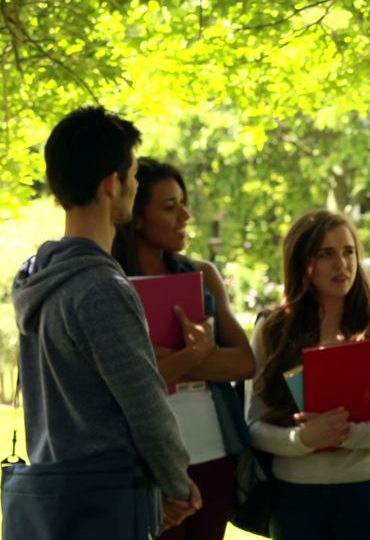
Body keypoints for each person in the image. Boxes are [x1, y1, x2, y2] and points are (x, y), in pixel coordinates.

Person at [11, 106, 201, 536]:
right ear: (113, 184)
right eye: (133, 176)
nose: (135, 185)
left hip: (52, 499)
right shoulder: (101, 288)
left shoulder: (35, 275)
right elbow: (145, 403)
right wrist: (176, 485)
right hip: (104, 501)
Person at [112, 157, 256, 540]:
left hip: (213, 452)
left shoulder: (202, 275)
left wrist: (180, 361)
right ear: (136, 217)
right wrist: (194, 358)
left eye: (183, 203)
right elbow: (121, 387)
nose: (186, 215)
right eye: (170, 206)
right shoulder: (111, 287)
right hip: (145, 462)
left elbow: (244, 362)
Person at [245, 209, 370, 539]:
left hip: (369, 493)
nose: (342, 264)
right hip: (295, 497)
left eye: (349, 252)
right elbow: (251, 425)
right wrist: (303, 440)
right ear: (302, 262)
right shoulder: (273, 330)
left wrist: (350, 434)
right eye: (326, 254)